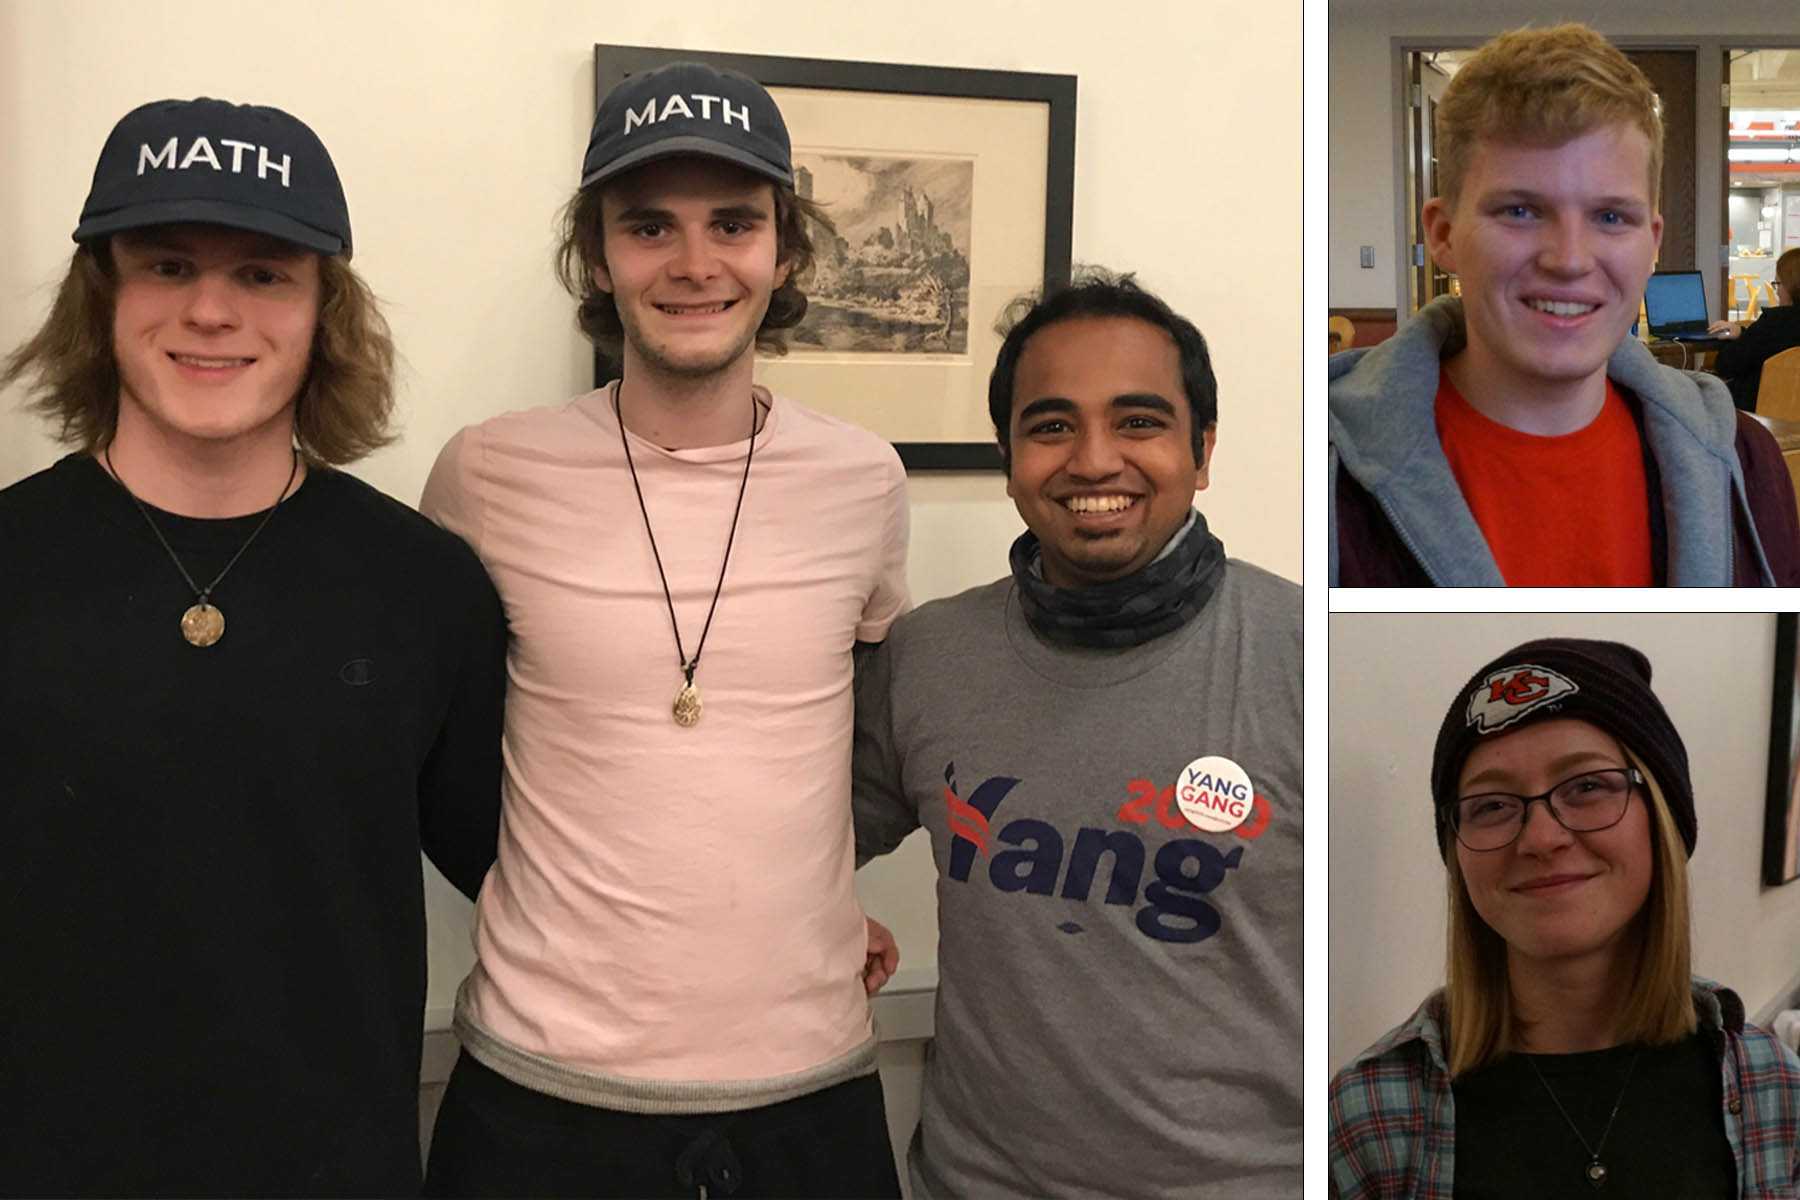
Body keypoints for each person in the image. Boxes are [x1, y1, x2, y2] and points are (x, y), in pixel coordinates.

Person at [418, 61, 909, 1198]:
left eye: (733, 223)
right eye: (649, 226)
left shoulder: (863, 478)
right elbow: (432, 736)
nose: (694, 264)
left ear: (784, 250)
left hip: (811, 1086)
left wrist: (817, 889)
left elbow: (870, 719)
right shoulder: (488, 471)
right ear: (597, 255)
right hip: (539, 1088)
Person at [0, 97, 506, 1196]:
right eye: (170, 264)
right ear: (104, 296)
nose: (214, 311)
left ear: (327, 308)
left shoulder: (426, 584)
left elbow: (530, 865)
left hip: (337, 1168)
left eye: (266, 273)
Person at [853, 271, 1303, 1198]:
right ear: (1009, 456)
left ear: (1203, 448)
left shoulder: (1313, 659)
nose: (1094, 460)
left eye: (1138, 421)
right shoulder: (926, 656)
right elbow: (778, 841)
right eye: (1051, 426)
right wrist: (811, 922)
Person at [1329, 23, 1800, 586]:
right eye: (1520, 211)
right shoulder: (1321, 477)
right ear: (1445, 234)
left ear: (1651, 243)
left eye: (1610, 217)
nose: (1570, 259)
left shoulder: (1744, 465)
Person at [1329, 638, 1800, 1199]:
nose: (1542, 838)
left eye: (1587, 786)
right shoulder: (1366, 1117)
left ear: (1662, 821)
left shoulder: (1772, 1087)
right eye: (1492, 805)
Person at [1709, 247, 1800, 410]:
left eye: (1778, 284)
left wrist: (1737, 339)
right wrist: (1742, 334)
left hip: (1760, 414)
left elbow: (1726, 364)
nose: (1777, 291)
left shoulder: (1776, 322)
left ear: (1792, 285)